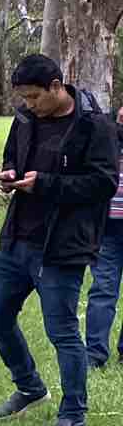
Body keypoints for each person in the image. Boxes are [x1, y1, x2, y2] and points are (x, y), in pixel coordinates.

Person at [0, 54, 119, 426]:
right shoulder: (26, 119)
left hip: (62, 246)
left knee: (61, 331)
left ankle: (73, 413)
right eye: (23, 98)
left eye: (34, 96)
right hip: (17, 239)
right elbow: (12, 155)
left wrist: (44, 184)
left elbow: (103, 183)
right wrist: (10, 173)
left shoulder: (94, 126)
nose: (29, 105)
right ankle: (30, 388)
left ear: (56, 87)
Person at [83, 104, 123, 369]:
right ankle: (95, 355)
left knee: (103, 290)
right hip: (107, 227)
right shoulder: (106, 138)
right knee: (103, 289)